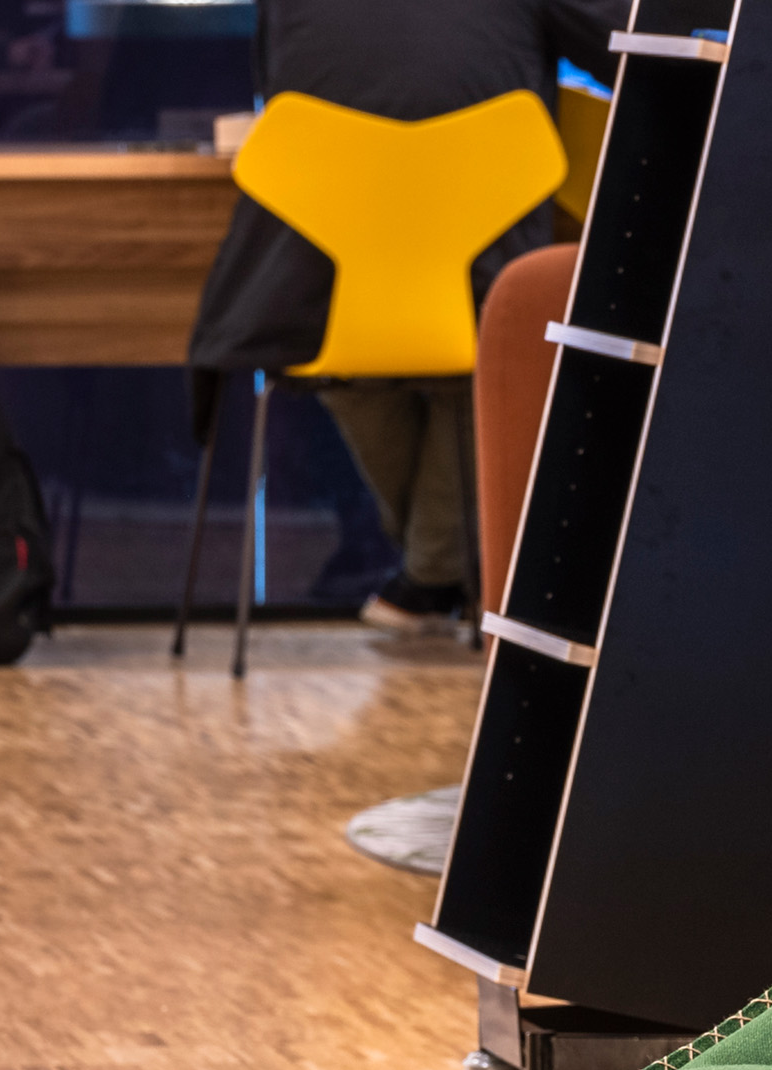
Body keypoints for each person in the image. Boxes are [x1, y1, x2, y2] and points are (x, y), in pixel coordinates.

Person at [188, 0, 621, 636]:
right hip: (482, 269)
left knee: (352, 365)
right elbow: (631, 56)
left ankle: (430, 575)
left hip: (323, 281)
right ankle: (437, 569)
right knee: (484, 368)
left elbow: (279, 98)